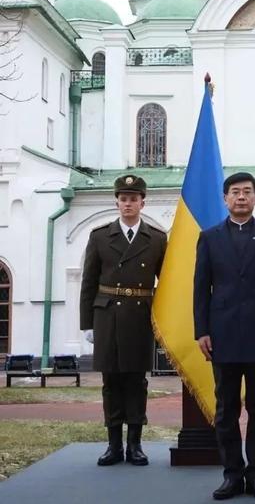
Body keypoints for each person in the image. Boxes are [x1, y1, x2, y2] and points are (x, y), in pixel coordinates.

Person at [194, 172, 255, 501]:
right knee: (226, 408)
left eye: (247, 192)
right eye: (235, 192)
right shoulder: (209, 238)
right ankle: (232, 474)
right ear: (225, 198)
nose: (240, 197)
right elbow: (200, 289)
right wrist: (201, 330)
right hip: (221, 334)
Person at [79, 174, 167, 467]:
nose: (128, 204)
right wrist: (87, 324)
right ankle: (113, 445)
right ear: (116, 201)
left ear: (143, 202)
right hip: (107, 316)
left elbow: (165, 283)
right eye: (123, 198)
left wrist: (163, 322)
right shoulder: (100, 236)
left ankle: (135, 445)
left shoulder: (156, 238)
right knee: (111, 382)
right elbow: (88, 282)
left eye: (133, 199)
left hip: (140, 316)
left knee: (136, 382)